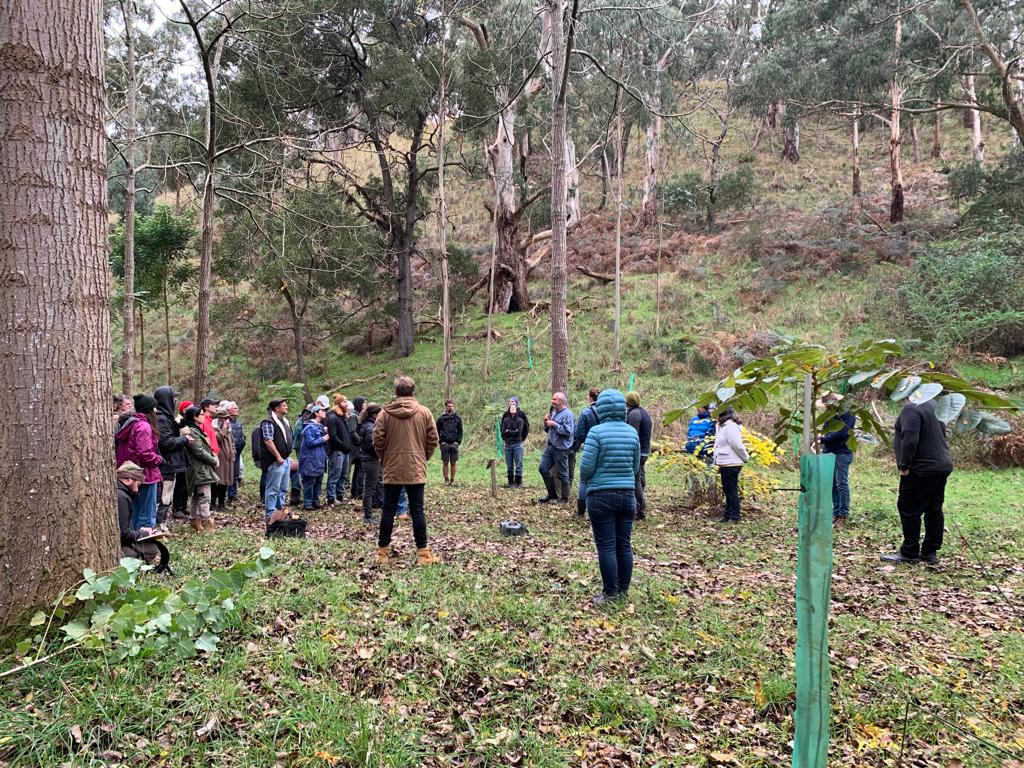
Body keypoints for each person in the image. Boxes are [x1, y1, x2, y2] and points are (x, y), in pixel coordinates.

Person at [579, 389, 641, 606]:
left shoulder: (595, 433)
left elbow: (585, 469)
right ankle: (623, 590)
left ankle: (610, 593)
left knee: (606, 546)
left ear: (601, 408)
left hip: (601, 496)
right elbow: (635, 468)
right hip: (627, 495)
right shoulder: (632, 433)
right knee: (623, 545)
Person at [373, 376, 440, 565]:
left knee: (388, 511)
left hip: (393, 467)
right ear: (413, 391)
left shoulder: (384, 414)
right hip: (415, 467)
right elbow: (433, 439)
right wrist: (421, 457)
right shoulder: (424, 412)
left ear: (396, 393)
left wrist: (385, 459)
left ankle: (382, 554)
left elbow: (377, 440)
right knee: (417, 511)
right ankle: (423, 554)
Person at [881, 399, 954, 566]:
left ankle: (909, 552)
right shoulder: (935, 405)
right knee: (933, 509)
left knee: (908, 508)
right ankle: (930, 552)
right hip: (941, 465)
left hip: (921, 467)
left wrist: (904, 465)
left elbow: (909, 438)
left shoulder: (912, 409)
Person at [114, 394, 164, 530]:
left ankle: (134, 543)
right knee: (147, 513)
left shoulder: (130, 423)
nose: (156, 411)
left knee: (134, 511)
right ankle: (146, 545)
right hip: (145, 474)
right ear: (148, 410)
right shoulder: (143, 426)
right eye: (154, 408)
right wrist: (158, 459)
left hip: (130, 474)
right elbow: (145, 453)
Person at [153, 386, 191, 526]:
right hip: (166, 464)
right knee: (164, 497)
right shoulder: (162, 419)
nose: (175, 400)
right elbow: (166, 442)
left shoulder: (166, 417)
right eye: (173, 398)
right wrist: (185, 439)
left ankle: (161, 524)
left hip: (170, 463)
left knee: (166, 496)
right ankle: (158, 526)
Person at [181, 405, 219, 532]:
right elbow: (199, 451)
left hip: (200, 468)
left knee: (198, 495)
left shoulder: (195, 430)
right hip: (199, 469)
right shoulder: (192, 431)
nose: (204, 416)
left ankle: (194, 520)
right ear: (194, 417)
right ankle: (206, 521)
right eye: (201, 414)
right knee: (204, 496)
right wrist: (213, 461)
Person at [819, 403, 856, 527]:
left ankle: (842, 515)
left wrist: (821, 439)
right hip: (828, 451)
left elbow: (841, 434)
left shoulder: (848, 416)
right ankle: (835, 512)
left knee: (841, 483)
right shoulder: (829, 416)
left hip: (842, 453)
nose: (827, 407)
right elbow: (825, 430)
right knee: (831, 484)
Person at [538, 392, 575, 504]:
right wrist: (546, 421)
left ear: (561, 401)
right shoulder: (553, 411)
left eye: (554, 399)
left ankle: (564, 498)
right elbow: (547, 429)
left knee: (563, 473)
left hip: (561, 448)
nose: (552, 401)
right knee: (543, 468)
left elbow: (568, 431)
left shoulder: (568, 414)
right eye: (552, 399)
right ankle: (552, 494)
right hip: (550, 447)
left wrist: (554, 424)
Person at [259, 398, 293, 521]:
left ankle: (279, 513)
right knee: (273, 489)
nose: (287, 407)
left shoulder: (284, 421)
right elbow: (268, 441)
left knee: (283, 489)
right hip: (275, 461)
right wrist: (278, 456)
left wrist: (286, 456)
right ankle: (270, 515)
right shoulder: (269, 422)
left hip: (284, 460)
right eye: (284, 405)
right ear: (277, 408)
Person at [713, 407, 749, 523]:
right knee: (727, 490)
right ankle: (728, 515)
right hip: (726, 462)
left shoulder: (730, 427)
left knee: (731, 490)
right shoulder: (723, 426)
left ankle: (734, 516)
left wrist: (745, 457)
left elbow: (737, 445)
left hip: (732, 463)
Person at [116, 461, 156, 561]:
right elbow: (123, 535)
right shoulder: (122, 497)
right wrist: (144, 533)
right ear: (129, 479)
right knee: (152, 549)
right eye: (137, 484)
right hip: (118, 546)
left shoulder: (118, 492)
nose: (137, 490)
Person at [573, 389, 602, 517]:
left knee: (584, 480)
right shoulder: (605, 412)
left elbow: (579, 434)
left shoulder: (586, 413)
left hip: (589, 448)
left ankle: (581, 511)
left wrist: (578, 445)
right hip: (604, 449)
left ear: (590, 398)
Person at [625, 392, 653, 521]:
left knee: (636, 481)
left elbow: (632, 435)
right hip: (644, 451)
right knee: (640, 478)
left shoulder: (634, 414)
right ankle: (640, 507)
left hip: (639, 452)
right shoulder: (643, 412)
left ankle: (640, 509)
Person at [299, 403, 330, 510]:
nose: (325, 412)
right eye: (322, 411)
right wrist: (323, 439)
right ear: (316, 413)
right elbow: (310, 442)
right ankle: (307, 503)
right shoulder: (309, 427)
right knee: (309, 481)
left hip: (319, 459)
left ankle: (315, 501)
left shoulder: (319, 426)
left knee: (318, 480)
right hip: (310, 459)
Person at [357, 403, 383, 524]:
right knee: (369, 488)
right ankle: (368, 516)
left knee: (373, 486)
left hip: (369, 459)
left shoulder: (367, 425)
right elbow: (371, 446)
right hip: (371, 460)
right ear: (375, 414)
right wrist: (380, 454)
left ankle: (373, 510)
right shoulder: (370, 428)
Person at [326, 396, 353, 506]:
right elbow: (333, 436)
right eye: (344, 401)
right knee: (334, 475)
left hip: (345, 451)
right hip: (337, 451)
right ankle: (331, 498)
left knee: (343, 475)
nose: (347, 404)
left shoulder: (342, 417)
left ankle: (340, 496)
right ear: (338, 403)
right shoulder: (332, 418)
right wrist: (343, 446)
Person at [212, 405, 237, 511]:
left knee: (225, 483)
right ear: (220, 419)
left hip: (228, 460)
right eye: (225, 418)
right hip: (219, 460)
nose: (227, 420)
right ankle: (213, 503)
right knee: (217, 483)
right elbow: (218, 438)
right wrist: (224, 428)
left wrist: (233, 453)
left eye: (228, 418)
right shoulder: (214, 428)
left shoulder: (229, 430)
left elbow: (232, 442)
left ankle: (222, 503)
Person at [501, 397, 529, 488]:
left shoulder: (521, 415)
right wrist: (506, 435)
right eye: (509, 402)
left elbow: (525, 427)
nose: (511, 403)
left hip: (518, 442)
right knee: (509, 465)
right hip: (508, 443)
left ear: (516, 404)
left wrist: (521, 437)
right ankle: (510, 482)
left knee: (519, 463)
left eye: (512, 402)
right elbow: (503, 429)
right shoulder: (505, 416)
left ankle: (518, 482)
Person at [172, 401, 193, 519]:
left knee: (185, 482)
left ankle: (183, 506)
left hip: (185, 454)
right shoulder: (178, 421)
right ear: (184, 410)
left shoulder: (186, 421)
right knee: (179, 482)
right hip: (178, 455)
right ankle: (177, 507)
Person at [436, 399, 464, 486]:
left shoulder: (457, 418)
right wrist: (440, 442)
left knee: (453, 462)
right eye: (449, 406)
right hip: (444, 444)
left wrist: (458, 442)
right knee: (445, 462)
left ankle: (452, 480)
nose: (450, 407)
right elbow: (436, 431)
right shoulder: (441, 419)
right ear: (446, 407)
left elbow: (461, 431)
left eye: (452, 406)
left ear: (453, 406)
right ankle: (446, 479)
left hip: (454, 443)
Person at [227, 402, 245, 504]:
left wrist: (243, 441)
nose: (237, 409)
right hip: (229, 453)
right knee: (228, 474)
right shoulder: (226, 422)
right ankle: (227, 495)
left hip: (238, 452)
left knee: (235, 474)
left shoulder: (237, 422)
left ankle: (233, 495)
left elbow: (242, 435)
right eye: (235, 408)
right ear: (228, 410)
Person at [349, 396, 366, 501]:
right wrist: (360, 440)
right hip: (354, 449)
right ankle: (358, 492)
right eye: (364, 403)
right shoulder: (353, 416)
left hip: (358, 448)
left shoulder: (359, 415)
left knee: (359, 471)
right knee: (359, 471)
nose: (366, 405)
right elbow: (352, 431)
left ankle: (357, 491)